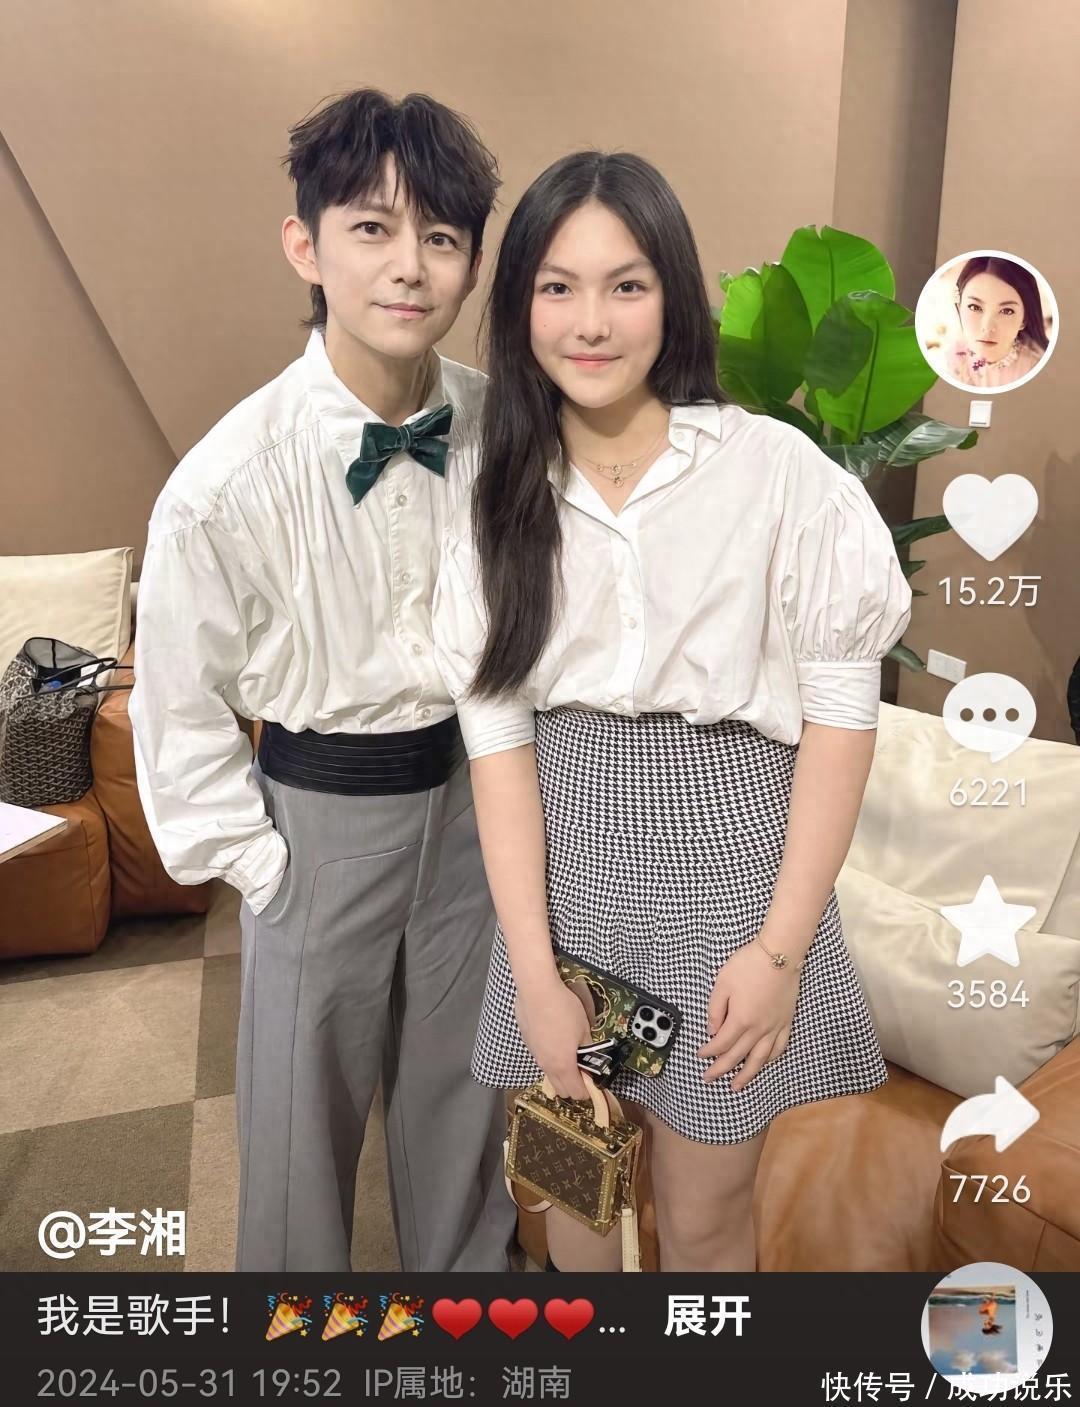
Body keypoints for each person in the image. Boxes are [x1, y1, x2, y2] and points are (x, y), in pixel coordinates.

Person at [431, 150, 913, 1273]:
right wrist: (536, 971)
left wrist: (779, 952)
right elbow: (500, 752)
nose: (591, 322)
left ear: (673, 297)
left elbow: (843, 726)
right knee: (574, 1204)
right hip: (568, 889)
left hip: (732, 890)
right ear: (521, 306)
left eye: (627, 285)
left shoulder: (776, 472)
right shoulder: (493, 490)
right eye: (558, 287)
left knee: (704, 1222)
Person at [130, 88, 517, 1273]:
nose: (410, 266)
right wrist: (258, 865)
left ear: (470, 263)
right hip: (318, 820)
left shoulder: (506, 430)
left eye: (441, 236)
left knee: (466, 1106)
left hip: (477, 809)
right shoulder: (226, 481)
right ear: (306, 246)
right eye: (372, 229)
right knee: (299, 1134)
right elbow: (177, 701)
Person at [944, 255, 1049, 388]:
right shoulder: (955, 358)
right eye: (974, 307)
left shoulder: (1035, 365)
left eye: (1007, 311)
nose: (987, 327)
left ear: (1024, 319)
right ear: (959, 308)